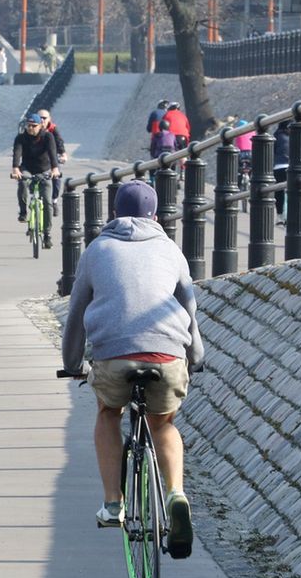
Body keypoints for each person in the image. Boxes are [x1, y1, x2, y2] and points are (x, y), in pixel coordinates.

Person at [60, 180, 203, 557]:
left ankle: (112, 503)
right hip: (168, 353)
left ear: (113, 213)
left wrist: (72, 363)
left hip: (114, 355)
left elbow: (75, 313)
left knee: (109, 413)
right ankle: (176, 495)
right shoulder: (171, 251)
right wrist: (195, 355)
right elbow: (189, 307)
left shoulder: (96, 250)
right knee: (162, 423)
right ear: (155, 215)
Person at [11, 113, 61, 247]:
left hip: (44, 169)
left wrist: (55, 169)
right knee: (22, 181)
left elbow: (52, 153)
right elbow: (17, 153)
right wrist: (15, 169)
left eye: (34, 126)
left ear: (40, 126)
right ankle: (23, 212)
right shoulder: (21, 138)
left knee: (47, 201)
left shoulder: (47, 137)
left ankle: (47, 234)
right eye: (28, 125)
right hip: (27, 168)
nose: (31, 128)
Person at [38, 109, 65, 202]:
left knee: (56, 177)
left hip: (52, 156)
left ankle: (54, 200)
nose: (42, 120)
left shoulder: (53, 129)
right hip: (38, 157)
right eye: (39, 118)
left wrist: (63, 154)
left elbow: (59, 142)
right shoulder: (33, 128)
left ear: (49, 119)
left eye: (44, 118)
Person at [272, 119, 291, 222]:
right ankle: (290, 215)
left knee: (279, 191)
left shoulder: (276, 136)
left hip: (278, 167)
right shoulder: (294, 135)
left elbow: (272, 152)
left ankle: (279, 215)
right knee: (292, 191)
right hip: (292, 167)